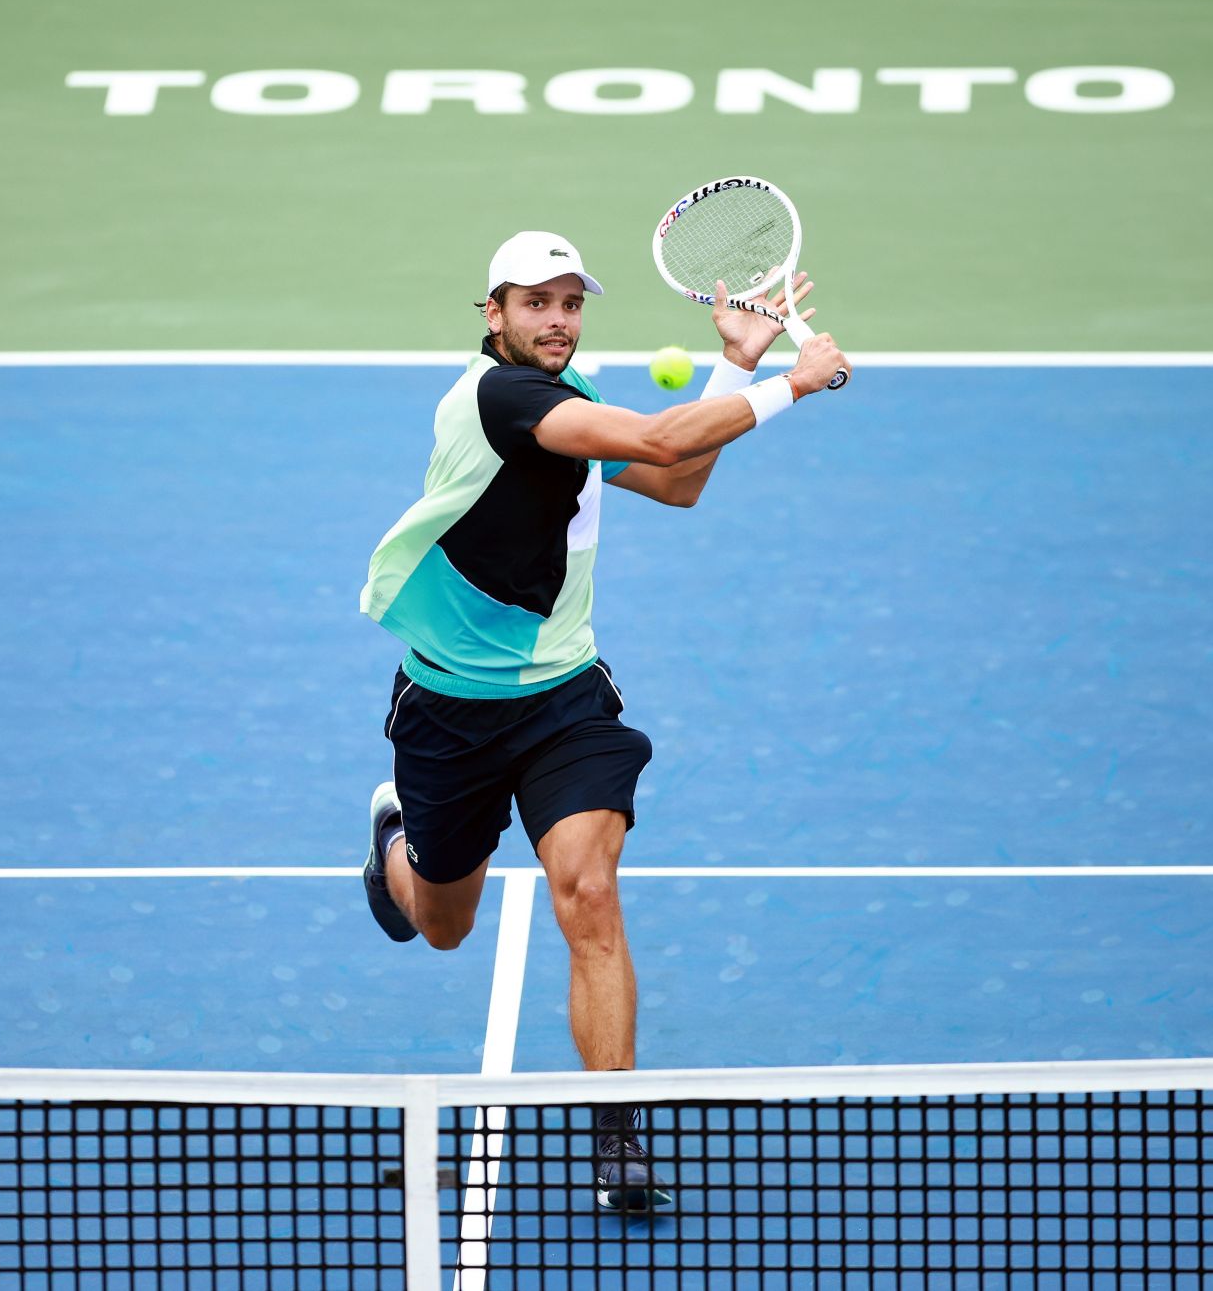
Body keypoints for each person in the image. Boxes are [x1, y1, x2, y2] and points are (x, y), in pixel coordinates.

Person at [357, 230, 850, 1212]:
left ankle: (617, 1136)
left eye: (571, 301)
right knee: (445, 926)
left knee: (588, 890)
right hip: (451, 709)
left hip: (565, 698)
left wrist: (734, 363)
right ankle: (394, 847)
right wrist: (793, 384)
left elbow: (679, 480)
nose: (557, 318)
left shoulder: (571, 393)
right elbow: (666, 440)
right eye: (535, 301)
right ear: (491, 313)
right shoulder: (500, 400)